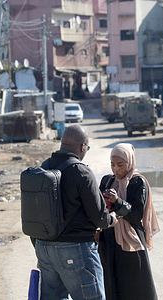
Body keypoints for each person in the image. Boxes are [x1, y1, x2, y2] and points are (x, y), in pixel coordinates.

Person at [34, 124, 117, 300]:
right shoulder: (81, 172)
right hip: (76, 249)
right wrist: (112, 219)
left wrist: (41, 247)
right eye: (87, 147)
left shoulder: (43, 168)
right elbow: (100, 218)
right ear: (82, 147)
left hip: (44, 248)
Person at [98, 143, 160, 300]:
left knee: (134, 286)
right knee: (110, 284)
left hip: (130, 244)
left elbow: (135, 215)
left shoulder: (138, 183)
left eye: (120, 165)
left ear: (130, 162)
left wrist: (117, 201)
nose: (116, 169)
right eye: (112, 165)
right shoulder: (107, 181)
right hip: (109, 241)